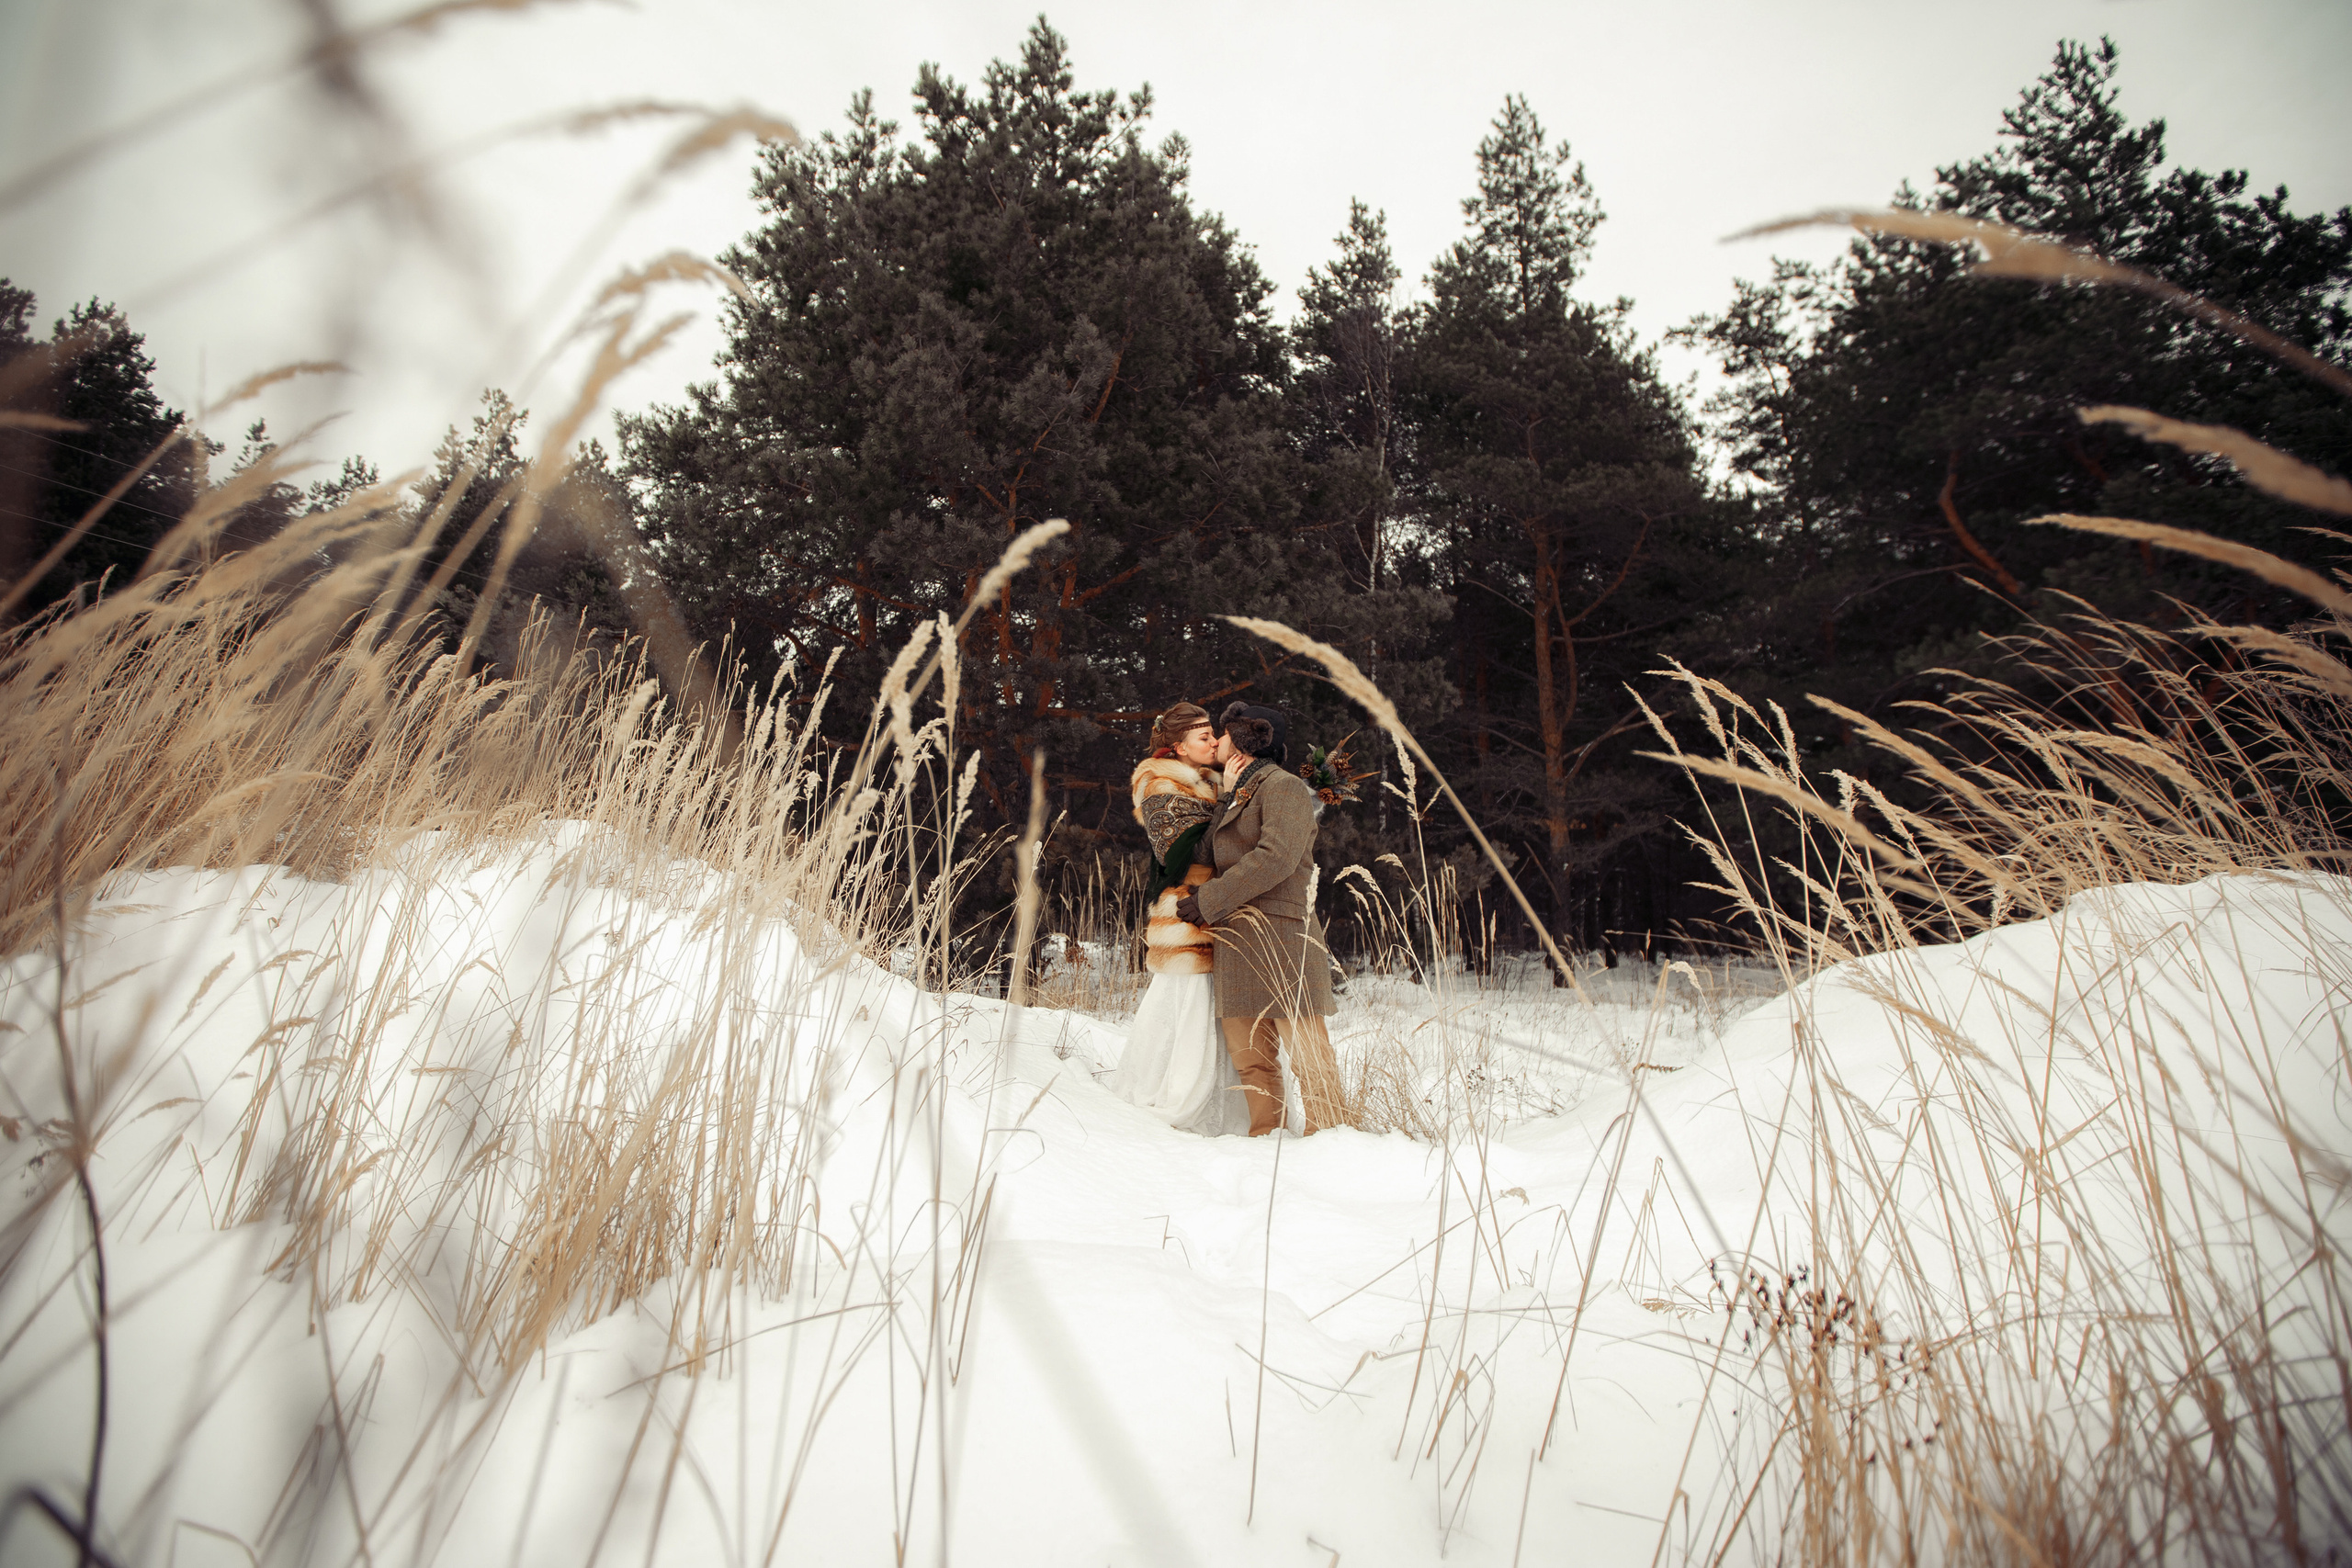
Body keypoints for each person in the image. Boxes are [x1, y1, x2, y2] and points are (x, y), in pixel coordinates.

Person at [1174, 702, 1347, 1136]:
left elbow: (1277, 858)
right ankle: (1265, 1141)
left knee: (1309, 1056)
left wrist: (1210, 899)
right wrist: (1228, 798)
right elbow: (1206, 854)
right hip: (1237, 938)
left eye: (1223, 731)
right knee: (1251, 1059)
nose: (1215, 739)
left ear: (1245, 739)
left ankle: (1334, 1144)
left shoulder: (1284, 787)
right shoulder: (1238, 790)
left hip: (1283, 936)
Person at [1102, 703, 1248, 1134]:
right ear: (1179, 747)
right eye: (1204, 737)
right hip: (1185, 914)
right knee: (1188, 1006)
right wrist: (1231, 797)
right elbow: (1185, 852)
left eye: (1213, 734)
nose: (1215, 742)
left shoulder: (1213, 779)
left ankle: (1231, 1109)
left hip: (1217, 907)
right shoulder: (1158, 784)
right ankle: (1179, 1096)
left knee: (1216, 1011)